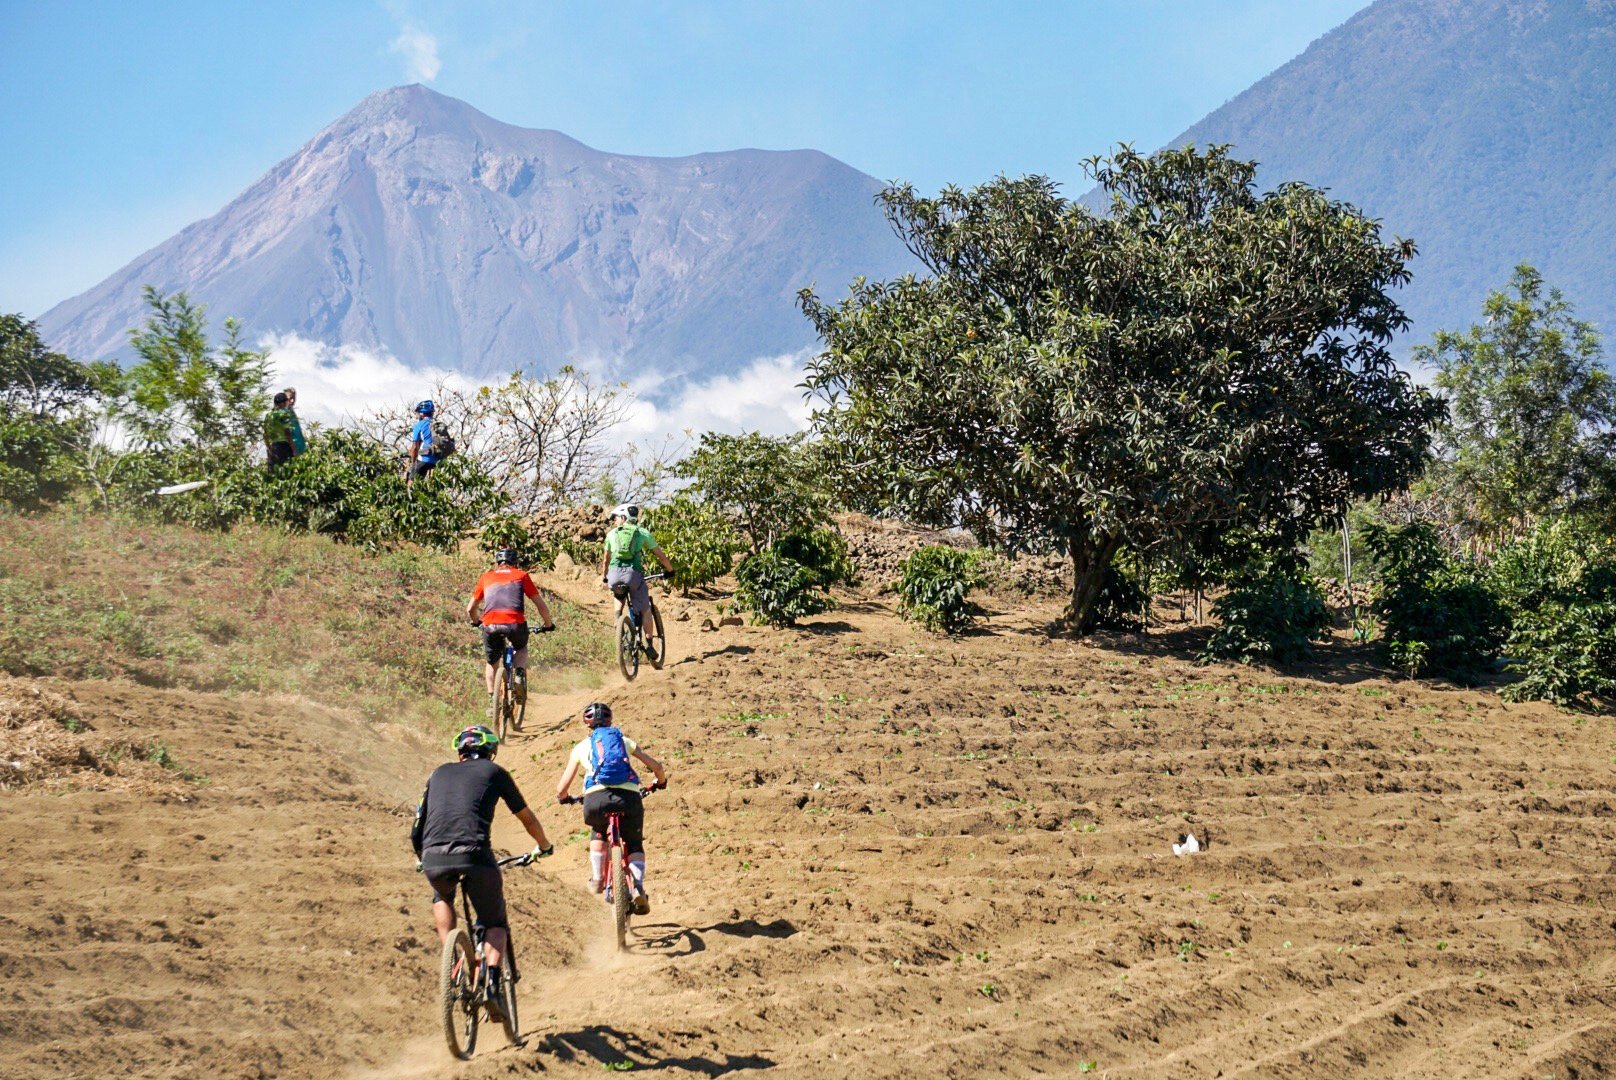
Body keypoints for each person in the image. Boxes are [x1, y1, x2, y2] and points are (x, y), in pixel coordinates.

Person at [411, 724, 552, 1019]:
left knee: (441, 896)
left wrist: (421, 857)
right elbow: (525, 817)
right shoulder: (495, 772)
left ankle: (452, 963)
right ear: (490, 751)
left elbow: (418, 825)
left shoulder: (437, 774)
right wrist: (543, 845)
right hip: (475, 855)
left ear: (459, 752)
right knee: (494, 922)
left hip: (433, 856)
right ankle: (491, 983)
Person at [555, 702, 667, 914]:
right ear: (610, 720)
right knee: (633, 842)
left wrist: (565, 798)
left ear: (587, 724)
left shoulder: (581, 747)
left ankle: (598, 879)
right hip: (629, 797)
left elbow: (562, 787)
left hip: (595, 799)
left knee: (598, 831)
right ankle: (638, 886)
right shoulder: (623, 741)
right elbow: (657, 767)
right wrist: (660, 782)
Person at [468, 548, 555, 719]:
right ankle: (519, 675)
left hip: (490, 625)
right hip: (515, 624)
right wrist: (548, 624)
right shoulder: (521, 575)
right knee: (520, 648)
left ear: (497, 563)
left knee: (492, 662)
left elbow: (470, 608)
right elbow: (540, 605)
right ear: (515, 563)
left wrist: (477, 621)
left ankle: (492, 700)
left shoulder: (486, 577)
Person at [599, 505, 673, 659]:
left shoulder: (612, 534)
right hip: (633, 575)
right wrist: (670, 570)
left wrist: (605, 576)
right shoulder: (642, 533)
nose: (615, 522)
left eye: (617, 518)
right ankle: (649, 644)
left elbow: (606, 559)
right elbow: (660, 556)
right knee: (646, 609)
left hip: (614, 575)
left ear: (624, 518)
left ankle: (618, 618)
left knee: (618, 594)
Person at [406, 399, 440, 484]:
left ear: (421, 413)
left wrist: (413, 463)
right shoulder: (437, 424)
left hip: (425, 459)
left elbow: (414, 447)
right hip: (438, 460)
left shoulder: (420, 425)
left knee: (411, 482)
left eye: (418, 413)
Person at [264, 392, 294, 470]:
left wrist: (269, 447)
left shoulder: (269, 415)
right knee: (286, 472)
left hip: (274, 447)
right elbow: (287, 433)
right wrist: (294, 449)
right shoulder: (284, 415)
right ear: (285, 403)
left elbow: (265, 434)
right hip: (285, 447)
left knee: (273, 473)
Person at [283, 387, 307, 456]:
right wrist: (294, 450)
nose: (292, 401)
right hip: (290, 451)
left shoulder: (291, 412)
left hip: (299, 450)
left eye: (293, 398)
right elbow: (286, 433)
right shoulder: (284, 413)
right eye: (290, 398)